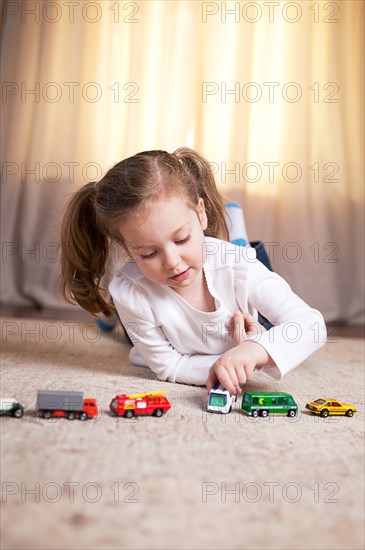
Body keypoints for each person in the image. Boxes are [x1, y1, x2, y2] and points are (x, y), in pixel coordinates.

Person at [60, 148, 326, 394]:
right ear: (128, 250)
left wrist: (252, 351)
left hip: (242, 312)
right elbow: (168, 365)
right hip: (165, 329)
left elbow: (311, 326)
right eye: (149, 253)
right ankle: (111, 315)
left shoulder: (236, 266)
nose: (173, 262)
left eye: (181, 239)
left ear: (201, 214)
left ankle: (237, 233)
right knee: (128, 331)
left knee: (251, 261)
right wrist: (225, 364)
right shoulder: (132, 292)